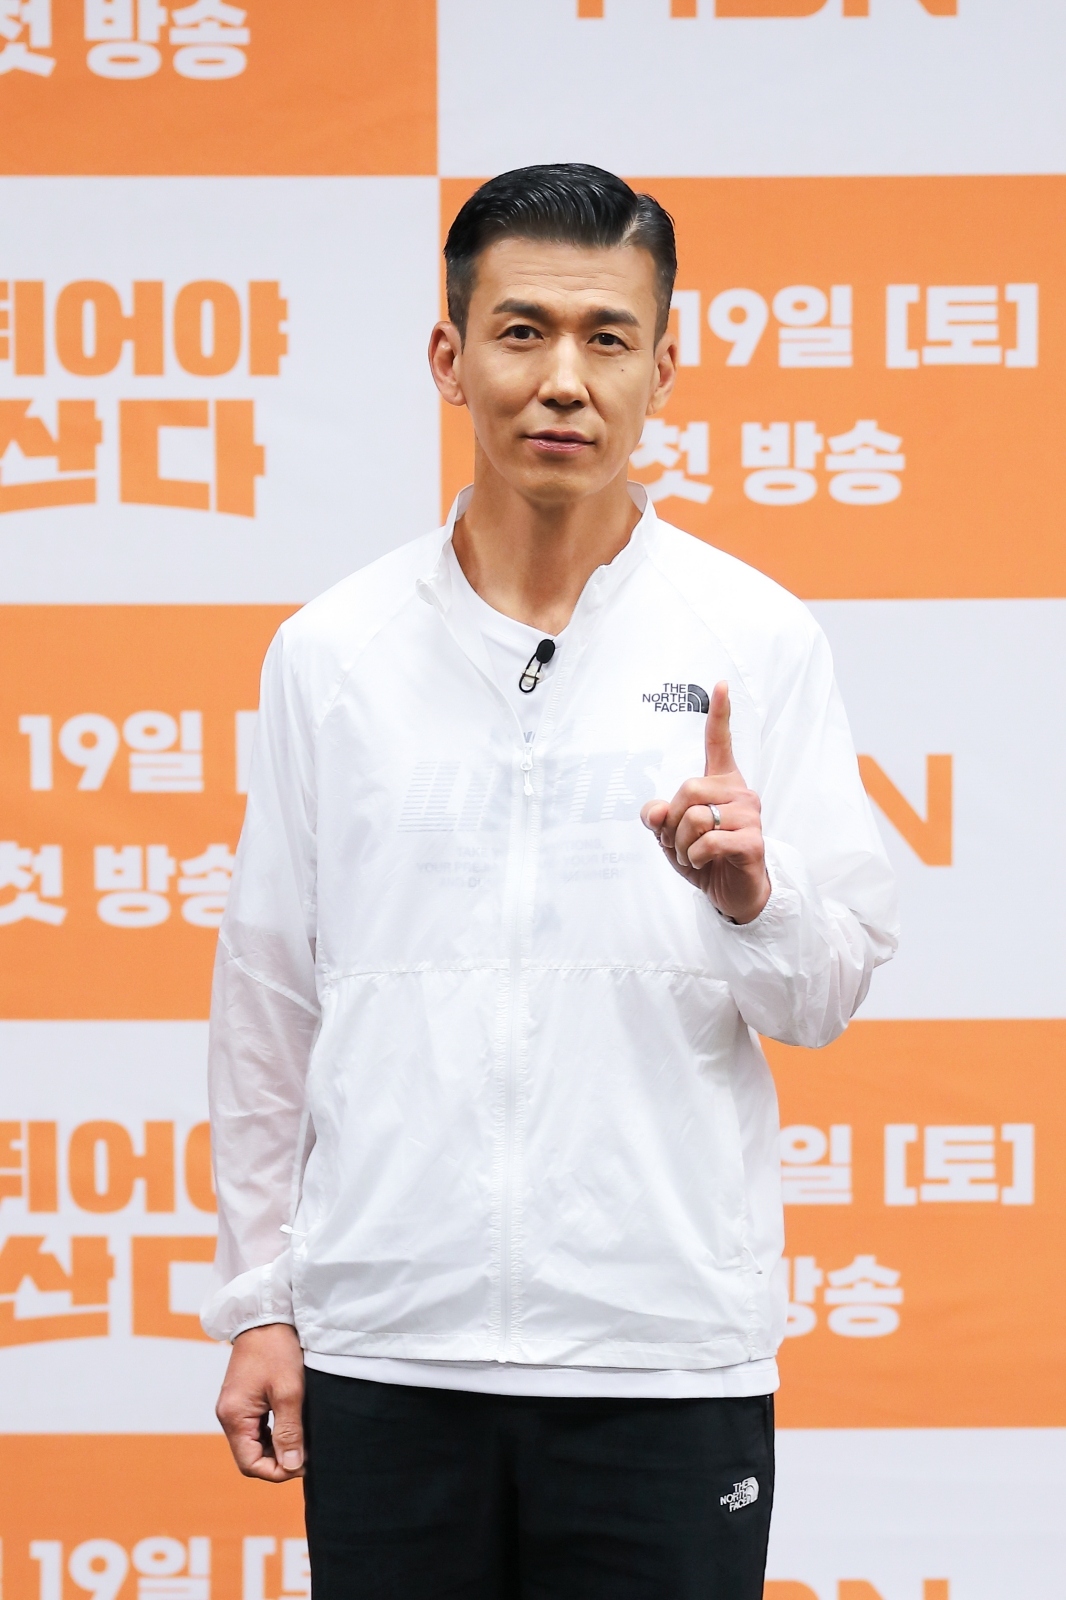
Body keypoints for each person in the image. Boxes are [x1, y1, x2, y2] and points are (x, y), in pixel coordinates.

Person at [203, 163, 898, 1599]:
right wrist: (262, 1303)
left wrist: (753, 895)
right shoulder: (331, 651)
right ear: (449, 357)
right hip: (391, 1347)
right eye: (521, 331)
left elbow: (825, 994)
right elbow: (268, 998)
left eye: (606, 336)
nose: (563, 379)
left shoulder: (755, 636)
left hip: (662, 1352)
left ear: (663, 366)